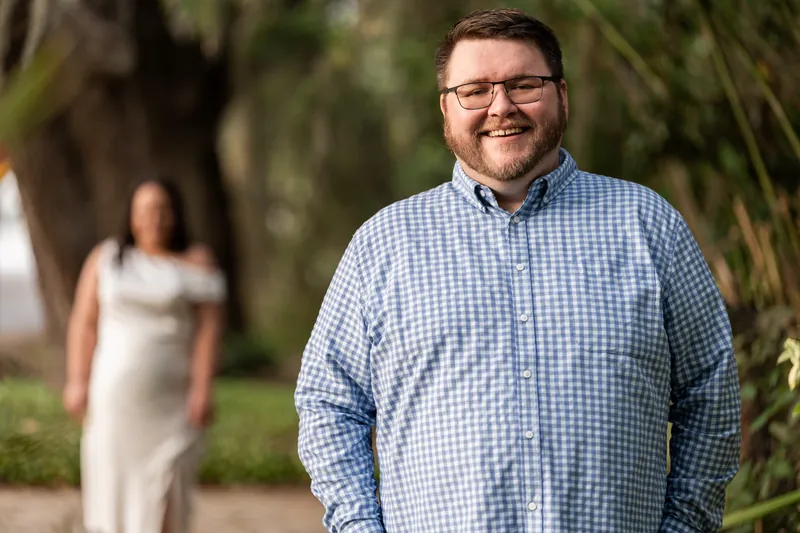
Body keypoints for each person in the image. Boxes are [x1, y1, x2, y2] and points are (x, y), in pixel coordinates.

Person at [295, 7, 742, 533]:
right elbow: (328, 402)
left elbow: (710, 389)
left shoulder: (648, 226)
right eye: (475, 90)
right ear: (446, 109)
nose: (501, 106)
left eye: (524, 84)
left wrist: (686, 526)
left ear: (563, 96)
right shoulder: (384, 244)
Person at [63, 178, 227, 533]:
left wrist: (203, 389)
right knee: (113, 485)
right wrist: (77, 380)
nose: (154, 218)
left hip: (173, 404)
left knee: (168, 489)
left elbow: (207, 334)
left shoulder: (198, 261)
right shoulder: (106, 258)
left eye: (162, 209)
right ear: (132, 216)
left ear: (175, 214)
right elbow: (84, 322)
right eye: (145, 210)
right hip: (114, 401)